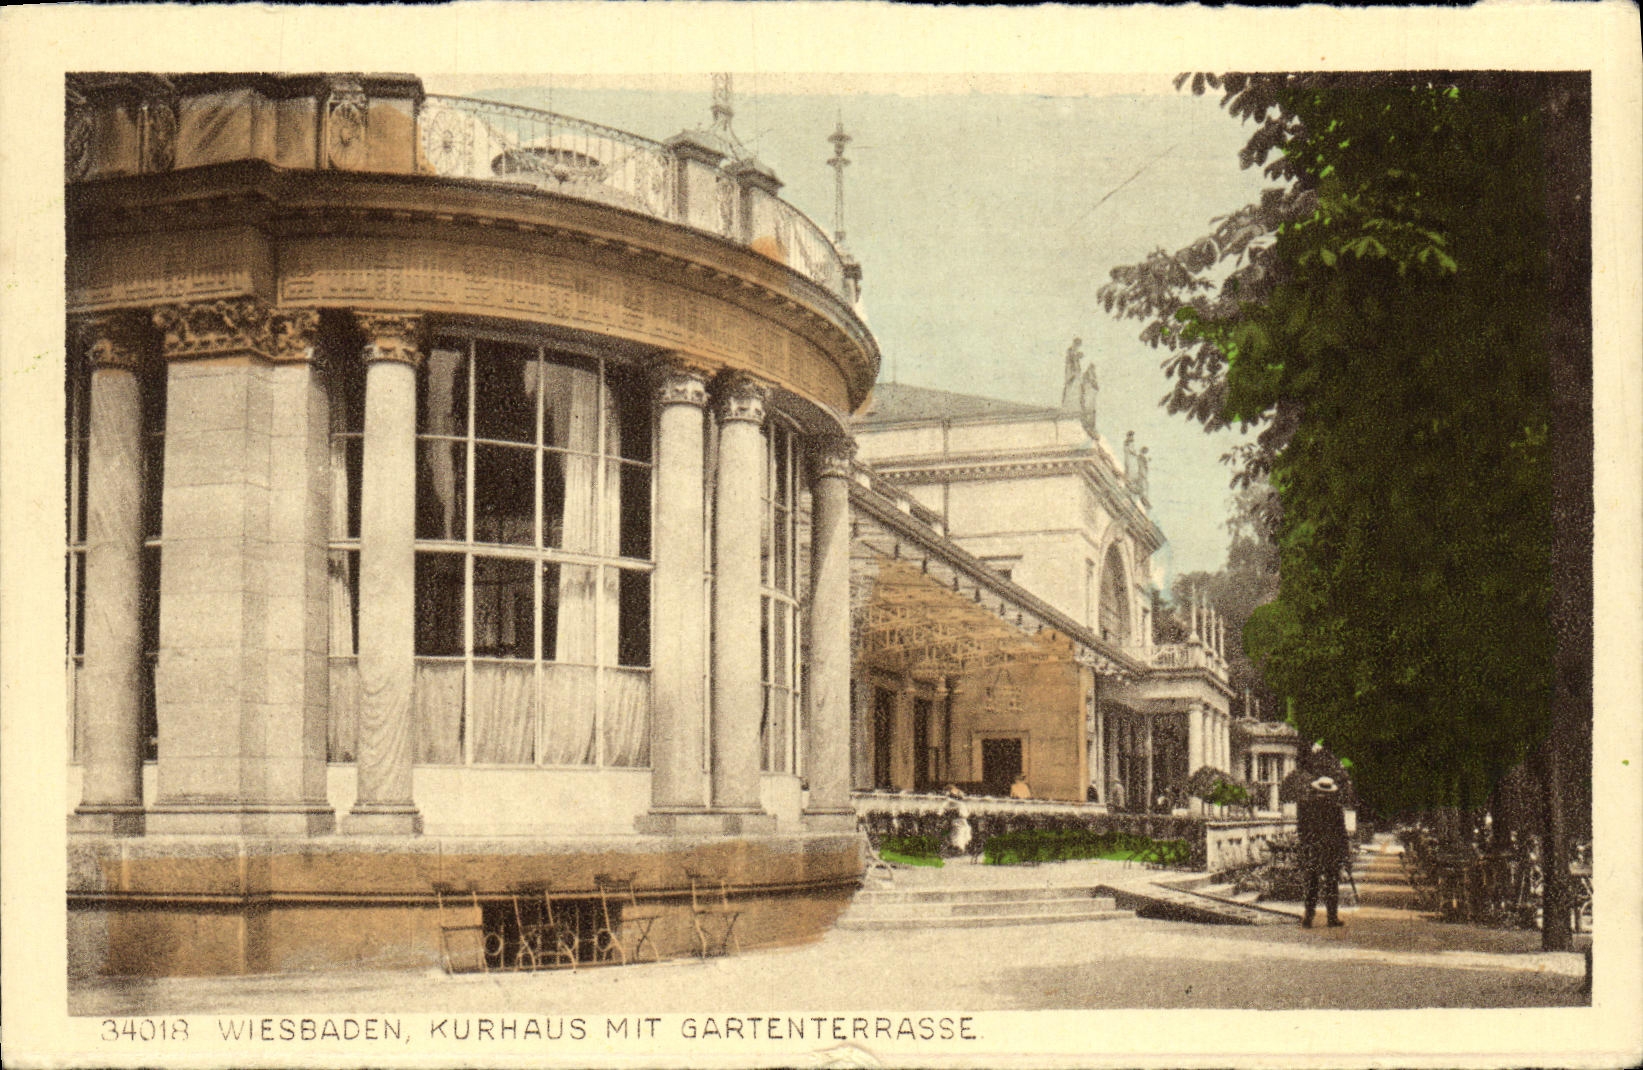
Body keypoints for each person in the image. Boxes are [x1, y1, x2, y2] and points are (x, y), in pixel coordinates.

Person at [1297, 774, 1350, 928]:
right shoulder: (1336, 808)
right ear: (1331, 791)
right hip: (1331, 850)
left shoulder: (1306, 806)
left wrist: (1305, 846)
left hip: (1313, 848)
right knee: (1331, 884)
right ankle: (1332, 918)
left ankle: (1308, 918)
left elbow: (1301, 829)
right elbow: (1341, 832)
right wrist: (1344, 853)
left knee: (1312, 884)